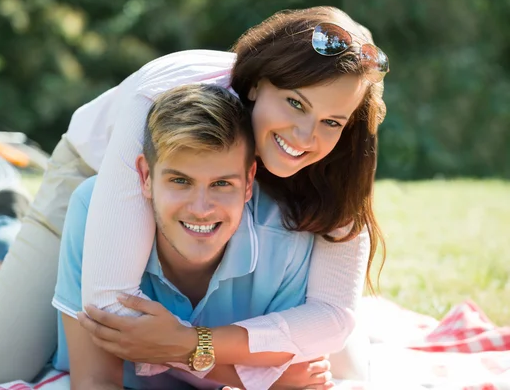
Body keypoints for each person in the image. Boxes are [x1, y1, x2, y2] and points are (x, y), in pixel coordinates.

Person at [0, 5, 388, 385]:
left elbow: (333, 321)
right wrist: (241, 368)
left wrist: (191, 343)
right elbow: (110, 307)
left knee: (348, 371)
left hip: (220, 185)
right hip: (108, 170)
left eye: (332, 121)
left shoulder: (339, 153)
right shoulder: (159, 96)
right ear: (256, 85)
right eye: (295, 103)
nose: (306, 135)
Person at [55, 83, 334, 389]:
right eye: (180, 180)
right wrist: (254, 378)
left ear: (248, 181)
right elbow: (95, 381)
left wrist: (182, 347)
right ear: (145, 177)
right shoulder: (97, 209)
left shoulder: (287, 236)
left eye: (221, 184)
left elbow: (297, 374)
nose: (201, 209)